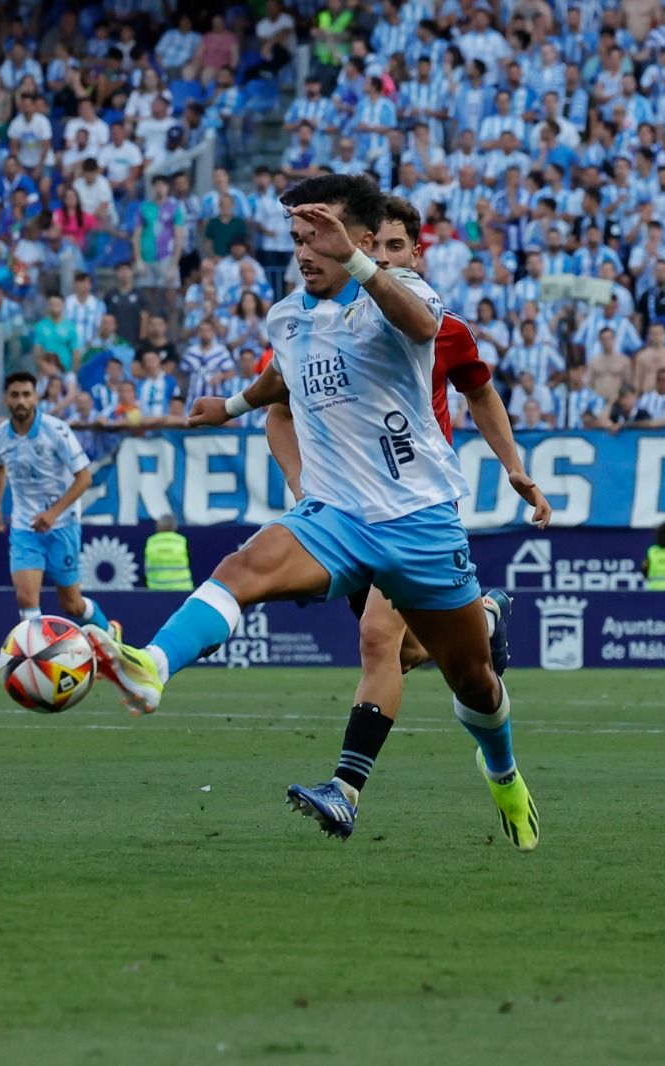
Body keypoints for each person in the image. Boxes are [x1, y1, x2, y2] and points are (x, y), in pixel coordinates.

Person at [88, 174, 539, 851]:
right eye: (297, 239)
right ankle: (151, 667)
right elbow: (282, 377)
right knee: (246, 565)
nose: (304, 252)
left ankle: (502, 771)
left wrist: (358, 262)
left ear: (359, 243)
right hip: (337, 517)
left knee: (473, 680)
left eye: (318, 239)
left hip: (418, 518)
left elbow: (422, 327)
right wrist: (230, 406)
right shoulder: (289, 316)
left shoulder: (406, 292)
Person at [215, 192, 552, 841]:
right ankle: (484, 617)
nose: (385, 258)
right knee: (405, 650)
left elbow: (480, 390)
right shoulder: (316, 326)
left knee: (377, 639)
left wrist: (512, 465)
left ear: (413, 253)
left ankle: (345, 789)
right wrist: (303, 487)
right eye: (380, 248)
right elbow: (276, 407)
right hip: (345, 508)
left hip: (414, 503)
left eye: (398, 248)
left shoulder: (435, 321)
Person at [0, 371, 114, 633]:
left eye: (26, 395)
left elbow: (84, 478)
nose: (21, 401)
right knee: (26, 599)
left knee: (72, 604)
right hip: (25, 526)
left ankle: (109, 634)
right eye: (15, 395)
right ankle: (36, 665)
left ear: (36, 398)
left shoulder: (56, 430)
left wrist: (53, 513)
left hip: (62, 524)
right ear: (5, 399)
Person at [144, 513, 194, 590]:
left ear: (158, 526)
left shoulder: (151, 542)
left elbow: (146, 567)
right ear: (174, 526)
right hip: (182, 588)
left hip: (156, 588)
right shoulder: (182, 541)